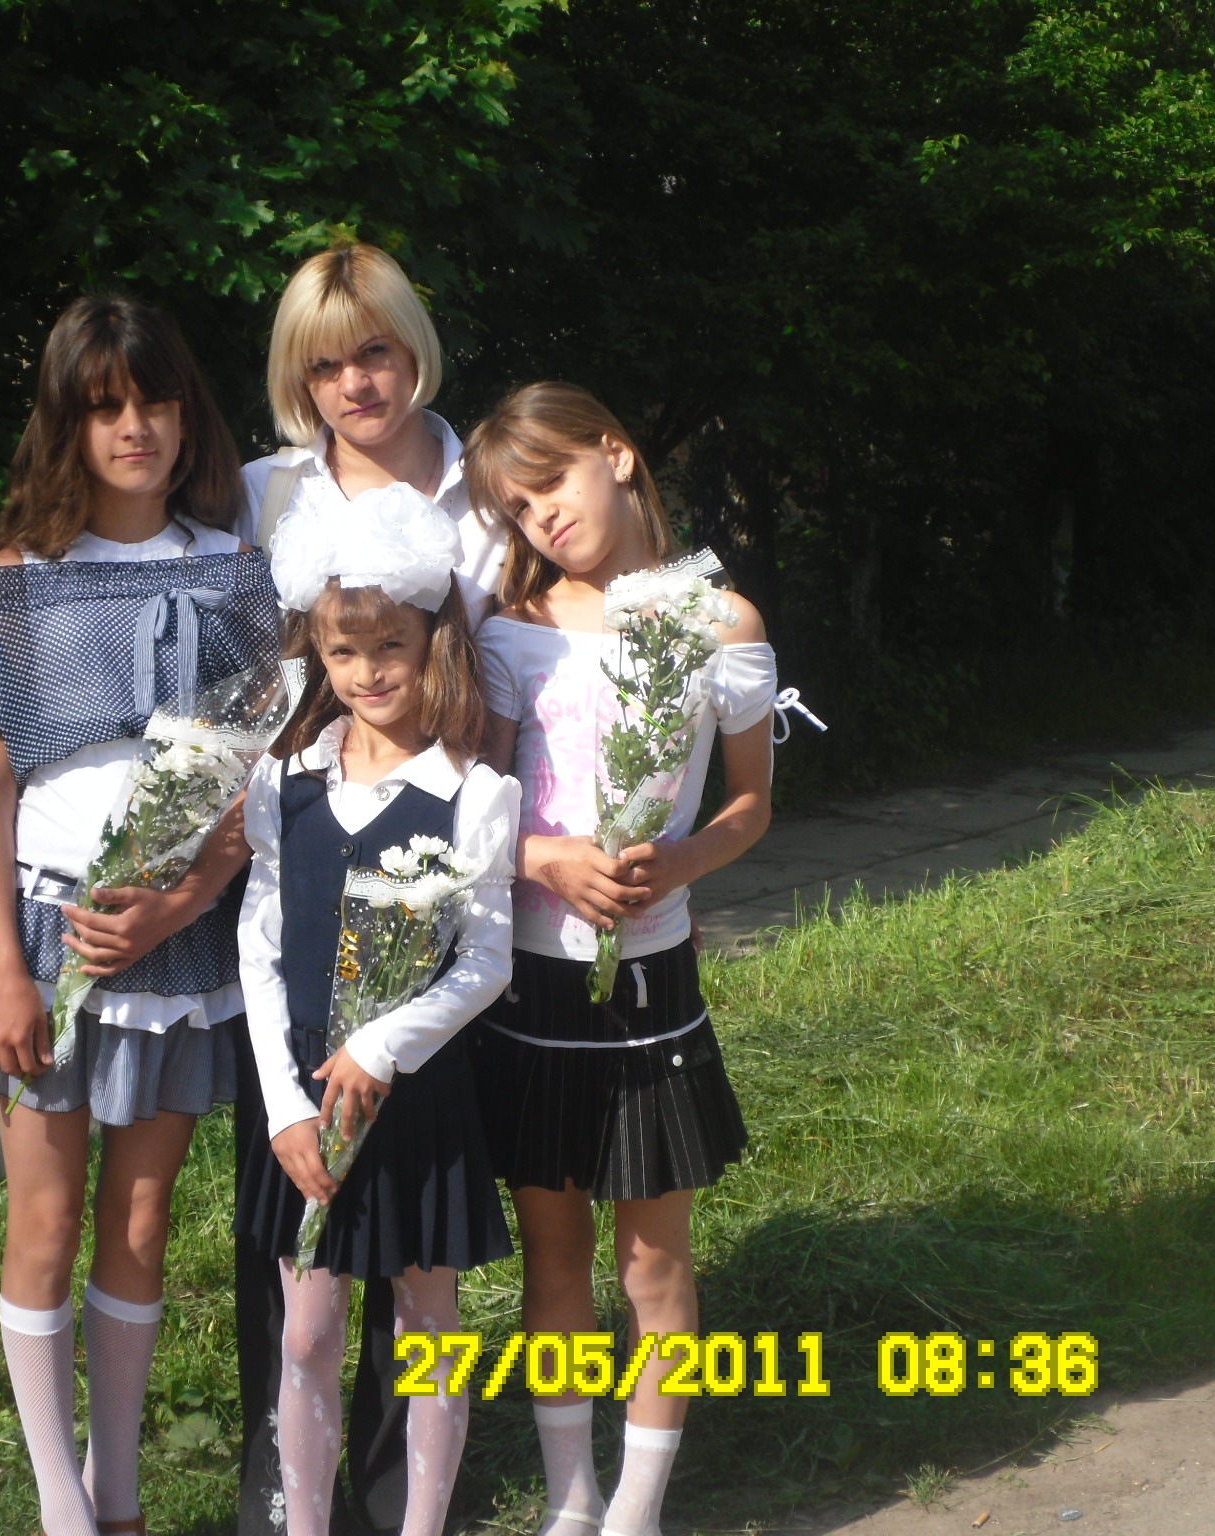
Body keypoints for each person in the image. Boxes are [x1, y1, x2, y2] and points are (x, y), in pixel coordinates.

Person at [0, 294, 280, 1536]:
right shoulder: (19, 580)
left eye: (154, 400)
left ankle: (120, 1495)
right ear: (68, 426)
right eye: (104, 407)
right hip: (40, 942)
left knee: (140, 1223)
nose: (134, 426)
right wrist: (5, 968)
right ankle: (61, 1511)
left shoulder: (234, 570)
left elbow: (257, 783)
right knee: (44, 1223)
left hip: (178, 945)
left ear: (187, 415)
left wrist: (178, 903)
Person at [462, 383, 782, 1536]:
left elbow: (749, 805)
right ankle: (570, 1500)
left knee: (651, 1264)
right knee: (553, 1263)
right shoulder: (512, 630)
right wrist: (544, 858)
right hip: (533, 982)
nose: (540, 517)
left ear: (615, 453)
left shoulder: (721, 624)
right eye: (515, 508)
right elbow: (474, 810)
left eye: (549, 483)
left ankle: (635, 1512)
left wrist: (680, 861)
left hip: (650, 979)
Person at [234, 241, 507, 1536]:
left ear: (415, 350)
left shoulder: (479, 488)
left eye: (376, 352)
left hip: (443, 841)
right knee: (299, 1279)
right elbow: (258, 678)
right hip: (305, 838)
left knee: (416, 1270)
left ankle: (412, 1500)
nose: (354, 381)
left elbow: (509, 658)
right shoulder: (267, 492)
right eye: (324, 363)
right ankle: (290, 1500)